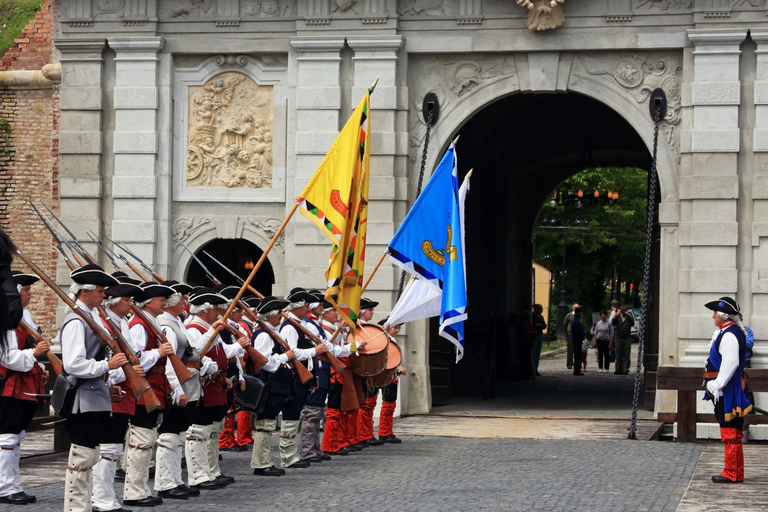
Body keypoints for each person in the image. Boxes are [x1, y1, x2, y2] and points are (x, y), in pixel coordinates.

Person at [59, 264, 126, 512]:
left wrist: (107, 385)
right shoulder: (77, 321)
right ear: (85, 291)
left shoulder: (90, 317)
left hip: (94, 395)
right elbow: (74, 364)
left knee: (91, 456)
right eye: (99, 290)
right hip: (81, 399)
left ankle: (84, 507)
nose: (103, 295)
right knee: (82, 458)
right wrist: (107, 364)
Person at [91, 276, 144, 512]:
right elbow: (104, 363)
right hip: (111, 388)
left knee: (114, 448)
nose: (130, 304)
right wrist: (126, 373)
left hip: (123, 388)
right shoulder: (104, 324)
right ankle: (100, 498)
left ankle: (106, 496)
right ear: (112, 301)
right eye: (126, 299)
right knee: (107, 449)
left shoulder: (120, 323)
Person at [123, 282, 177, 507]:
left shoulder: (150, 322)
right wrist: (158, 352)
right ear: (149, 302)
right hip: (146, 384)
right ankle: (134, 490)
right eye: (160, 299)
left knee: (148, 438)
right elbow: (134, 360)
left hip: (156, 382)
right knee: (141, 439)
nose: (164, 303)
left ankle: (141, 487)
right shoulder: (138, 325)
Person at [185, 289, 244, 490]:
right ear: (205, 310)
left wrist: (238, 346)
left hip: (216, 383)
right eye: (216, 309)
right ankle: (198, 475)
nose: (219, 313)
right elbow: (196, 354)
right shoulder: (194, 328)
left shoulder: (210, 328)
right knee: (198, 431)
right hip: (204, 383)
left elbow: (222, 351)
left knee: (210, 430)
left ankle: (210, 471)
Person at [0, 271, 49, 505]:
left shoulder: (23, 315)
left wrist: (39, 366)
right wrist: (34, 353)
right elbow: (7, 357)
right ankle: (5, 487)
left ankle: (13, 485)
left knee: (17, 436)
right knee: (8, 437)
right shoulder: (8, 318)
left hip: (25, 380)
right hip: (12, 383)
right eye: (26, 289)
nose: (30, 293)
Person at [154, 280, 203, 501]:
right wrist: (176, 389)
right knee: (169, 436)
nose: (186, 302)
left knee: (179, 435)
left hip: (187, 384)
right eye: (183, 298)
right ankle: (165, 482)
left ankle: (176, 480)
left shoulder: (177, 321)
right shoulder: (166, 325)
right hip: (178, 386)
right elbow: (170, 362)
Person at [703, 297, 752, 483]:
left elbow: (730, 363)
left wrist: (718, 384)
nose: (713, 316)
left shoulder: (729, 334)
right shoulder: (727, 332)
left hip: (727, 389)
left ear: (724, 316)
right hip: (726, 387)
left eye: (715, 313)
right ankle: (735, 472)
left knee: (730, 431)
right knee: (733, 432)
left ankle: (731, 473)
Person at [278, 288, 328, 468]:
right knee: (291, 415)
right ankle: (287, 456)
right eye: (306, 305)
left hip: (302, 377)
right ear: (297, 307)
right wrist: (314, 351)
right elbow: (292, 352)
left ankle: (291, 455)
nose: (309, 309)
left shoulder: (299, 324)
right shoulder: (290, 327)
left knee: (295, 416)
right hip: (293, 377)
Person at [250, 296, 295, 476]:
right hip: (270, 384)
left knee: (268, 425)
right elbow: (265, 362)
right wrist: (286, 357)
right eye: (278, 313)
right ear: (271, 315)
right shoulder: (263, 334)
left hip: (276, 385)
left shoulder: (270, 331)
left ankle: (264, 460)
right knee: (265, 424)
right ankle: (261, 463)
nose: (281, 317)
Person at [356, 298, 385, 447]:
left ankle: (367, 433)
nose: (372, 312)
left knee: (370, 403)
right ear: (361, 311)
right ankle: (362, 434)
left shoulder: (369, 328)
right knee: (364, 404)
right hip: (362, 370)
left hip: (371, 371)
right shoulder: (357, 328)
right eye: (370, 310)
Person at [377, 319, 404, 443]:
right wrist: (398, 368)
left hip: (393, 375)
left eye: (398, 328)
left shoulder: (392, 340)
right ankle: (383, 432)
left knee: (391, 404)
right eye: (395, 327)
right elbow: (387, 359)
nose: (397, 330)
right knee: (388, 404)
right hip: (387, 375)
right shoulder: (385, 340)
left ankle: (387, 431)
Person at [611, 305, 634, 375]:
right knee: (619, 354)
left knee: (627, 354)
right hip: (619, 337)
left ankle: (626, 369)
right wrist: (617, 315)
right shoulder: (618, 317)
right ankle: (619, 368)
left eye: (624, 310)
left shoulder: (628, 317)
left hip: (627, 337)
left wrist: (628, 315)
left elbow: (632, 323)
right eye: (622, 310)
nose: (623, 311)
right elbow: (613, 323)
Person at [531, 304, 547, 377]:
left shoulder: (541, 317)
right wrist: (536, 325)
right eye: (539, 308)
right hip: (534, 335)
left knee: (537, 352)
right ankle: (532, 369)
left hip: (539, 334)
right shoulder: (532, 316)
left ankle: (536, 369)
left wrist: (540, 325)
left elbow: (544, 325)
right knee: (534, 352)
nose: (541, 310)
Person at [563, 303, 579, 370]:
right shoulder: (569, 315)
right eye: (576, 308)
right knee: (570, 349)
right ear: (573, 308)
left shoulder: (580, 315)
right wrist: (568, 331)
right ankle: (569, 363)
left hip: (577, 333)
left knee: (577, 349)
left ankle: (577, 364)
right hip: (570, 333)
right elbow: (565, 323)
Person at [570, 307, 585, 376]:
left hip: (577, 339)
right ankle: (576, 370)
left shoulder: (576, 321)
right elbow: (579, 332)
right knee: (577, 355)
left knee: (578, 355)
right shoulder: (576, 322)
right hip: (577, 340)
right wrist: (585, 333)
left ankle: (577, 369)